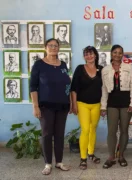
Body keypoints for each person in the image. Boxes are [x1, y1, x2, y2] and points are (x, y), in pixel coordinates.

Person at [30, 38, 71, 175]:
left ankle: (59, 162)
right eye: (50, 45)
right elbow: (33, 87)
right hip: (45, 106)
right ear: (45, 47)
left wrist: (70, 102)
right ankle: (48, 163)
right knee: (47, 134)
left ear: (59, 48)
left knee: (59, 135)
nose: (53, 47)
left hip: (62, 106)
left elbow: (67, 85)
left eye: (56, 45)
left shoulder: (63, 65)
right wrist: (35, 106)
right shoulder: (39, 65)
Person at [101, 44, 132, 169]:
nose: (117, 55)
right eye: (115, 52)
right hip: (111, 103)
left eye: (120, 53)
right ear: (111, 54)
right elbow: (104, 90)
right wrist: (103, 106)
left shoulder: (129, 67)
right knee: (111, 131)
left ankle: (121, 155)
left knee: (124, 130)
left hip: (126, 103)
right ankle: (111, 157)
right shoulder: (105, 70)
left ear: (122, 54)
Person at [70, 46, 103, 170]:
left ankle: (91, 154)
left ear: (95, 55)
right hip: (82, 104)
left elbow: (104, 89)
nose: (89, 56)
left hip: (97, 104)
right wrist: (74, 104)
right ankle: (83, 158)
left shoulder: (101, 69)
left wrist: (103, 106)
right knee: (85, 129)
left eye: (91, 54)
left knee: (93, 128)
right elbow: (74, 88)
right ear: (84, 57)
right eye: (86, 54)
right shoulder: (79, 69)